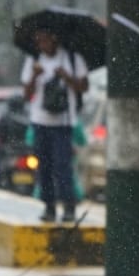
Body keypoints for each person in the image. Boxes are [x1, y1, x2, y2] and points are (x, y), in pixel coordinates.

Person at [21, 26, 89, 223]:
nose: (41, 44)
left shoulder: (72, 59)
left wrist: (66, 77)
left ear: (54, 38)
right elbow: (26, 94)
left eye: (44, 39)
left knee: (63, 165)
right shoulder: (33, 60)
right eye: (38, 40)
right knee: (44, 166)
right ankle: (49, 206)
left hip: (63, 122)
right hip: (40, 121)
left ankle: (69, 207)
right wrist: (35, 75)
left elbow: (84, 87)